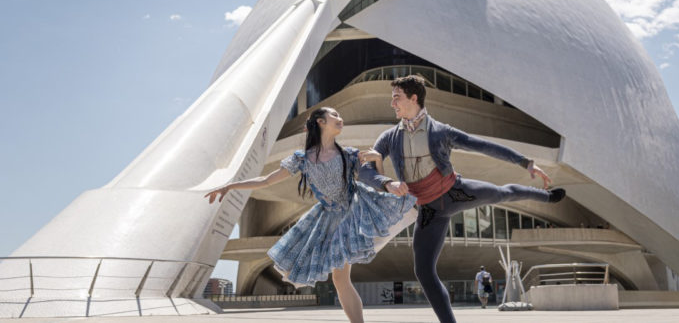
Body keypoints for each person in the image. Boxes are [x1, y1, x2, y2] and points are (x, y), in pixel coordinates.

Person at [359, 75, 565, 323]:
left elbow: (483, 146)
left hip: (455, 192)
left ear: (414, 98)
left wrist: (526, 163)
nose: (392, 104)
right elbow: (365, 169)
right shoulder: (389, 137)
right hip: (429, 210)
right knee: (423, 271)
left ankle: (547, 197)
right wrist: (387, 182)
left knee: (501, 193)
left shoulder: (441, 132)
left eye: (396, 98)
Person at [205, 107, 415, 323]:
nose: (340, 118)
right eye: (334, 115)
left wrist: (378, 161)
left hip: (353, 212)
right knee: (340, 280)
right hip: (327, 220)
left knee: (341, 279)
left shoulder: (349, 155)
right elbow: (266, 181)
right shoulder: (302, 159)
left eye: (340, 115)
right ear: (320, 122)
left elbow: (373, 179)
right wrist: (230, 186)